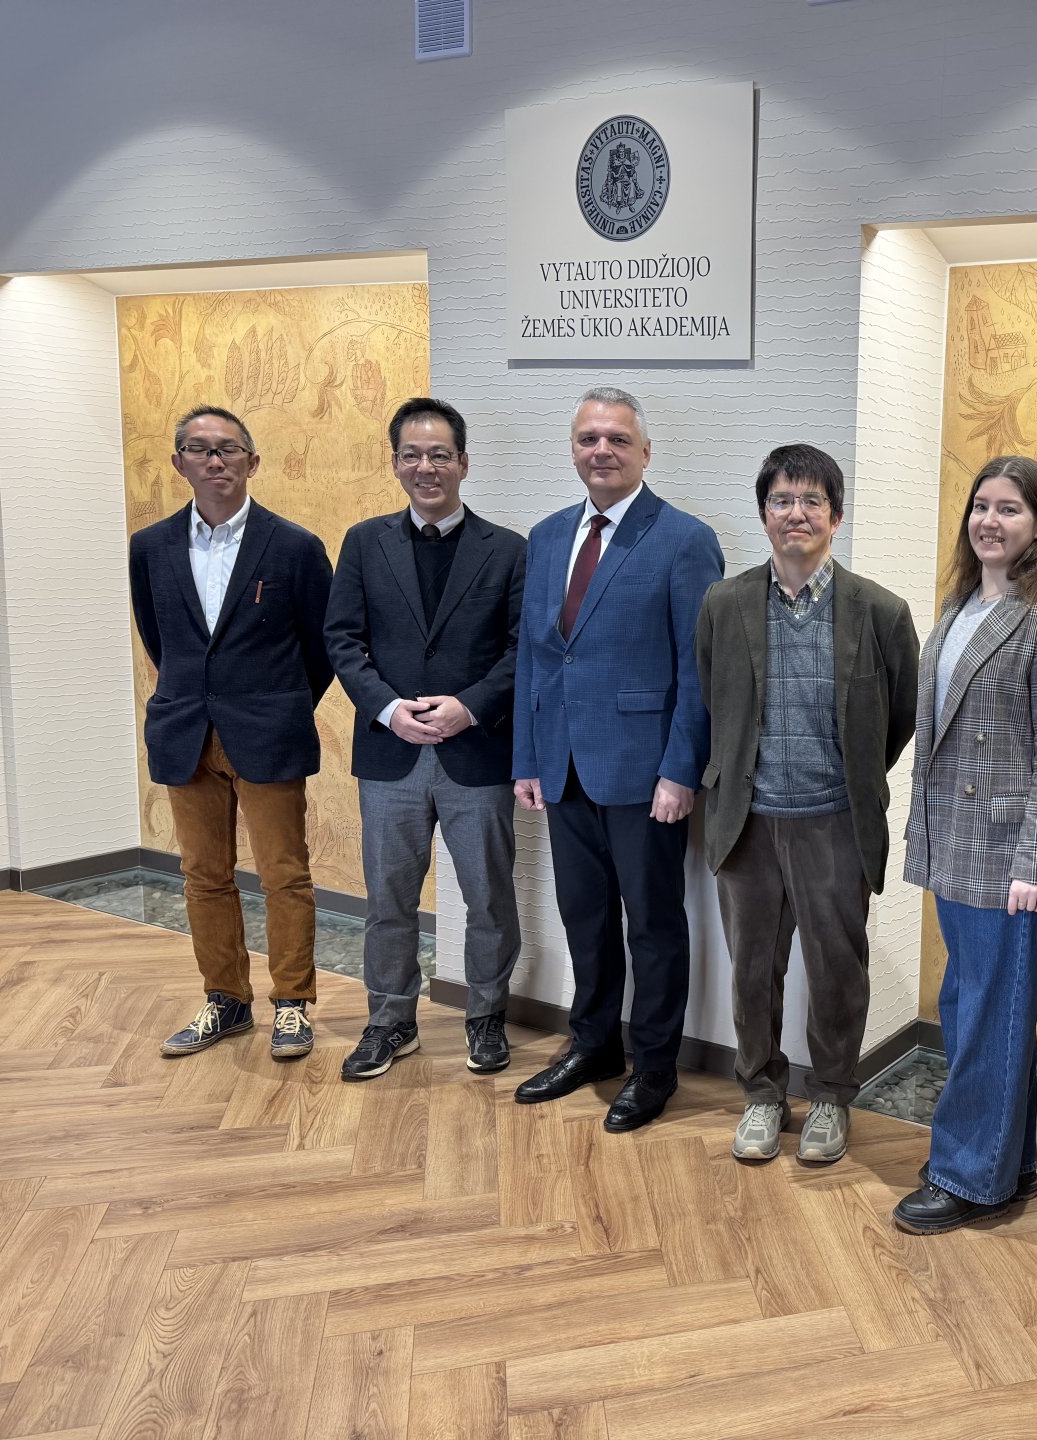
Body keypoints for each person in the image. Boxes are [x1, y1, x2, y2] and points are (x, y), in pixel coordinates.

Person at [696, 444, 920, 1164]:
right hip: (748, 825)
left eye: (811, 501)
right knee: (751, 971)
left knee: (836, 971)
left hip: (835, 823)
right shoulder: (725, 604)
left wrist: (848, 780)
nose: (796, 513)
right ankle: (762, 1095)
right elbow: (714, 701)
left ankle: (830, 1096)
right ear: (763, 514)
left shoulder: (880, 612)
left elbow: (898, 718)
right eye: (782, 500)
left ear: (836, 516)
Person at [510, 387, 724, 1131]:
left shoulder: (684, 539)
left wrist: (681, 770)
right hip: (562, 766)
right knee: (584, 917)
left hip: (644, 773)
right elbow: (535, 659)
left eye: (617, 439)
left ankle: (654, 1068)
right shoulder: (546, 536)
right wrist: (527, 757)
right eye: (588, 439)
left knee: (653, 926)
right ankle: (593, 1044)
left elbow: (699, 669)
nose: (601, 450)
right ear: (573, 448)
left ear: (645, 452)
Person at [892, 455, 1037, 1235]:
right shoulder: (960, 604)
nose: (989, 521)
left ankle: (969, 1175)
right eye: (981, 506)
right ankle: (1009, 1163)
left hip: (1007, 854)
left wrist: (1036, 860)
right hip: (954, 841)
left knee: (984, 1015)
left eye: (1009, 509)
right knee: (976, 1006)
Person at [325, 397, 527, 1080]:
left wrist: (470, 708)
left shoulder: (509, 550)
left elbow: (521, 648)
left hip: (477, 752)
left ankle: (486, 1015)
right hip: (391, 755)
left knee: (488, 897)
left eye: (440, 454)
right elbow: (342, 639)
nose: (426, 467)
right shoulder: (363, 542)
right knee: (388, 899)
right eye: (412, 454)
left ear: (463, 463)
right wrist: (387, 709)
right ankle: (391, 1020)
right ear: (395, 464)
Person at [129, 405, 334, 1060]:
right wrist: (195, 696)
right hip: (185, 731)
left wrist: (279, 704)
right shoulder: (150, 547)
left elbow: (322, 648)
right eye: (199, 448)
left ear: (252, 461)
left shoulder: (295, 546)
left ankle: (293, 1004)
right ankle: (226, 1000)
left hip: (268, 734)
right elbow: (159, 638)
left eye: (227, 448)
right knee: (202, 874)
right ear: (178, 462)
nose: (214, 459)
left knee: (284, 874)